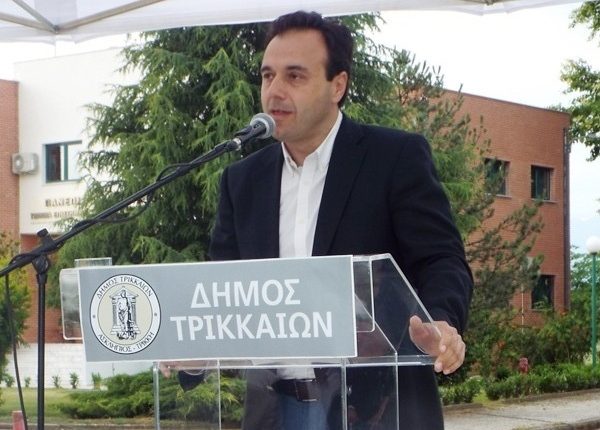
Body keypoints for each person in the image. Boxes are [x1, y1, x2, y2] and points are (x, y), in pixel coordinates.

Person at [188, 10, 473, 430]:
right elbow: (223, 289)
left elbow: (441, 260)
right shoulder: (242, 180)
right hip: (273, 411)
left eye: (294, 76)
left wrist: (440, 321)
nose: (274, 91)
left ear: (337, 85)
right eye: (267, 76)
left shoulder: (393, 158)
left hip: (374, 409)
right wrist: (192, 352)